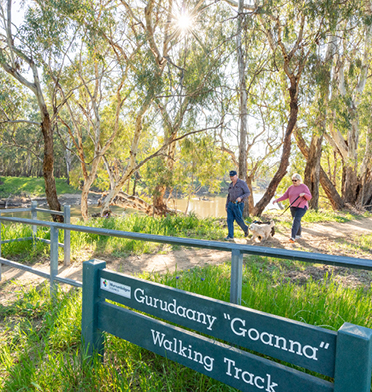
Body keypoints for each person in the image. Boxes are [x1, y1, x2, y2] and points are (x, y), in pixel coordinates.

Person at [273, 173, 312, 243]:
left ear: (299, 180)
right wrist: (277, 200)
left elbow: (309, 197)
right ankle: (298, 234)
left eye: (295, 180)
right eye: (292, 180)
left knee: (296, 220)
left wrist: (304, 194)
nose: (293, 182)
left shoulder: (304, 187)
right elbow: (285, 196)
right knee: (297, 220)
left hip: (302, 207)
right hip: (293, 206)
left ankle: (292, 237)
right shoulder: (290, 188)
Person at [225, 170, 250, 240]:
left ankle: (245, 229)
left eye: (232, 176)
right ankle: (230, 236)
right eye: (230, 176)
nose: (231, 178)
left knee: (238, 220)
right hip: (230, 204)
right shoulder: (230, 185)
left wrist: (241, 197)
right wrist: (226, 205)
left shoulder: (242, 183)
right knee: (229, 220)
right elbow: (228, 196)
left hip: (238, 205)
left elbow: (248, 193)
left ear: (236, 176)